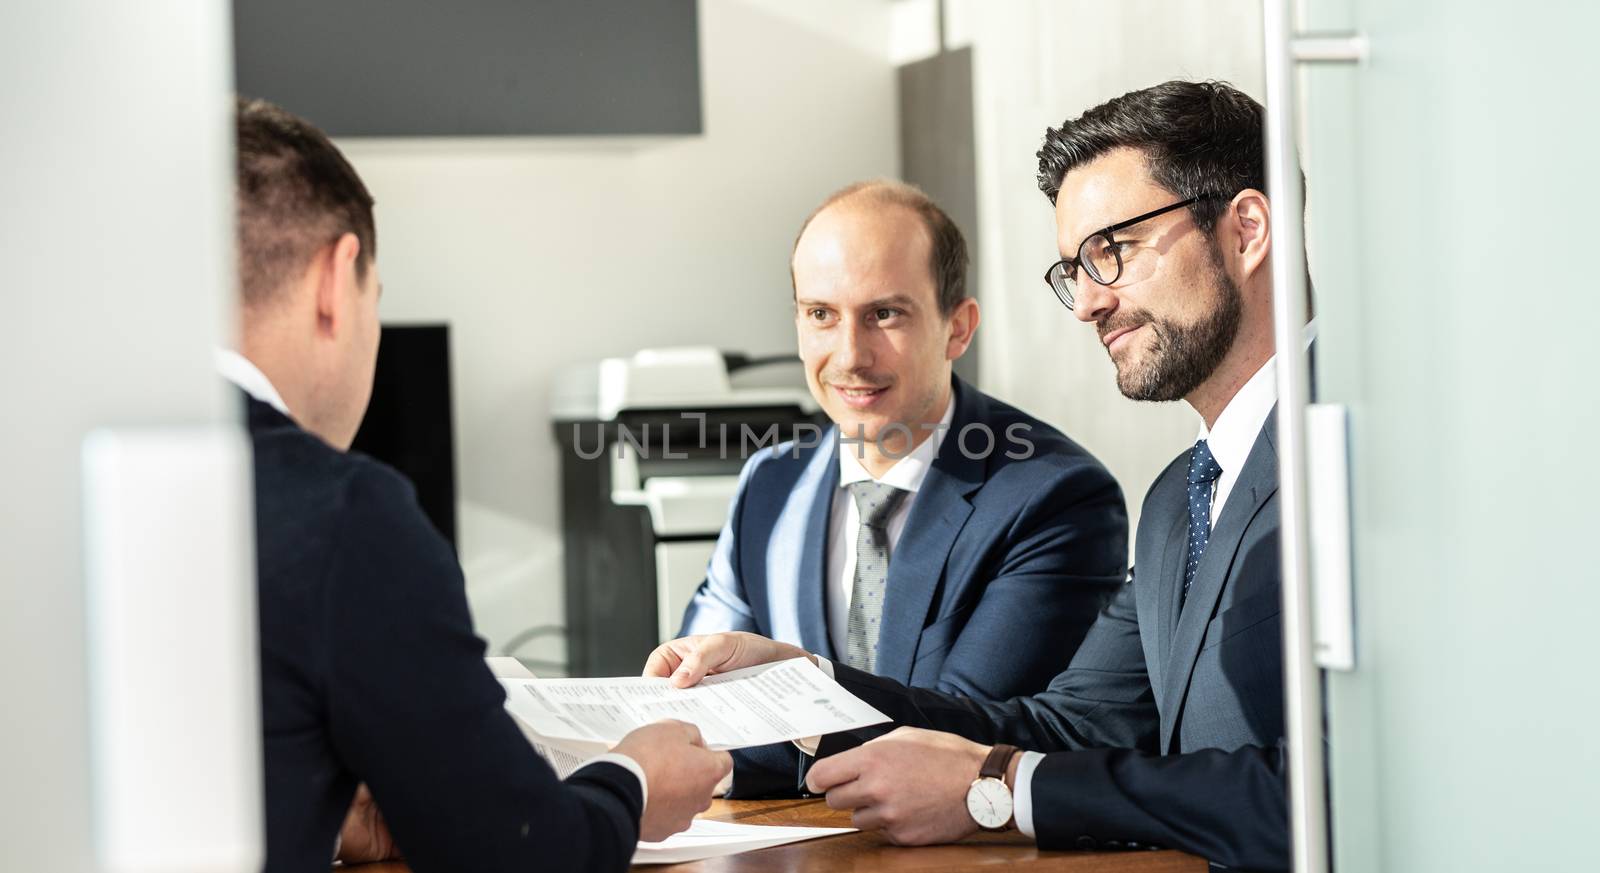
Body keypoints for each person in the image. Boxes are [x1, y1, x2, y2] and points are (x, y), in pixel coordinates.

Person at [647, 80, 1299, 871]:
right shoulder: (1176, 502)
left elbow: (1327, 785)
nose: (1088, 303)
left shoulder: (1364, 458)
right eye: (1074, 269)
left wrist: (1005, 786)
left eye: (1112, 251)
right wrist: (804, 682)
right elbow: (1070, 728)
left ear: (1247, 229)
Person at [225, 97, 729, 873]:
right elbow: (520, 853)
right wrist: (633, 778)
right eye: (374, 301)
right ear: (335, 280)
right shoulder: (342, 513)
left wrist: (320, 822)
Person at [677, 180, 1128, 796]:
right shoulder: (770, 484)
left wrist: (733, 755)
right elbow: (700, 698)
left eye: (884, 314)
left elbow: (953, 740)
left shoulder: (1053, 495)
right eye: (821, 315)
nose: (850, 355)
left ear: (958, 327)